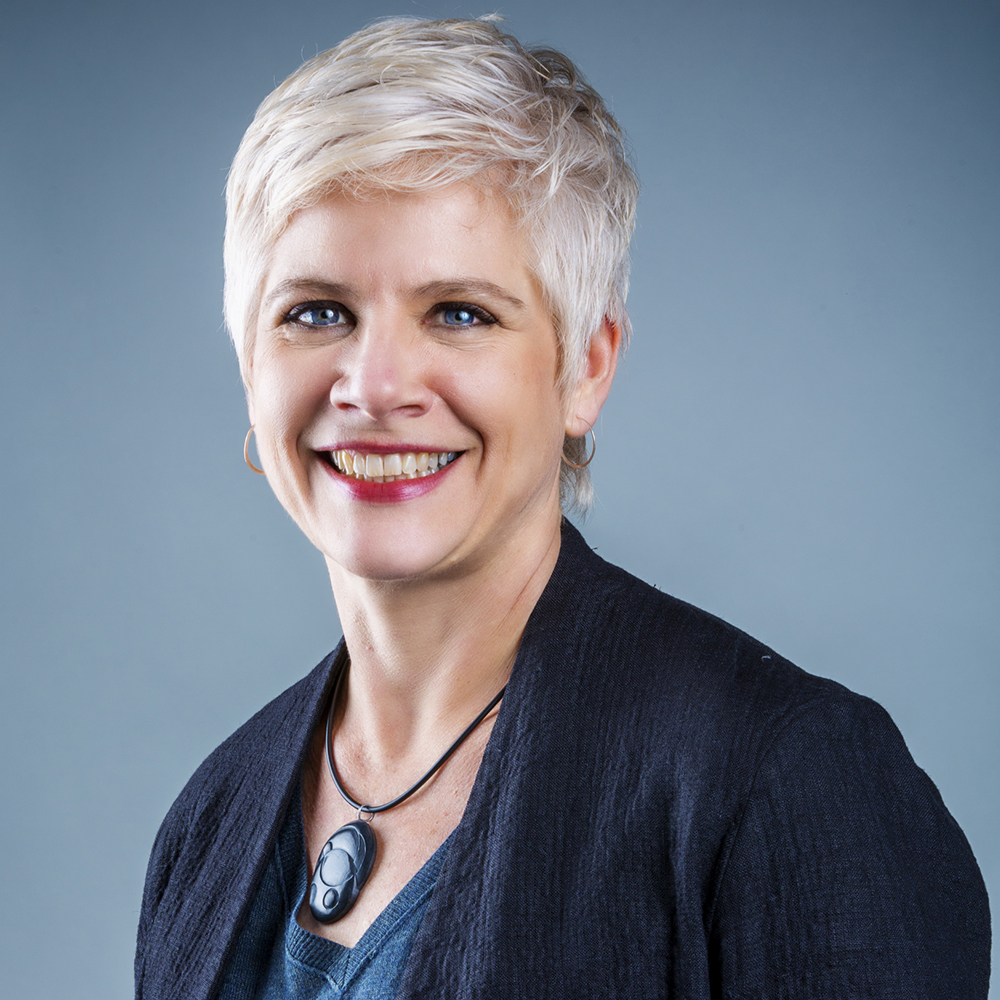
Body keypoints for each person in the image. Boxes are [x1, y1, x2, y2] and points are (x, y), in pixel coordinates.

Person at [135, 16, 990, 1000]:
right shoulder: (209, 823)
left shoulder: (785, 781)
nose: (373, 386)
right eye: (316, 312)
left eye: (459, 313)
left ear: (585, 365)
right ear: (252, 364)